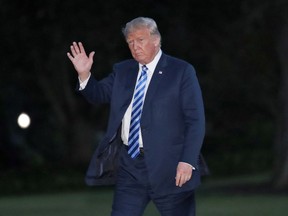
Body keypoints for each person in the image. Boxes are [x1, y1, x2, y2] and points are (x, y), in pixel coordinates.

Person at [67, 17, 205, 216]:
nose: (135, 46)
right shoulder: (123, 71)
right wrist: (84, 75)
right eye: (130, 42)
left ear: (156, 40)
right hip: (130, 167)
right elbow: (98, 94)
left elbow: (196, 120)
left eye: (140, 40)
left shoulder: (181, 71)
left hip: (171, 168)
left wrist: (187, 161)